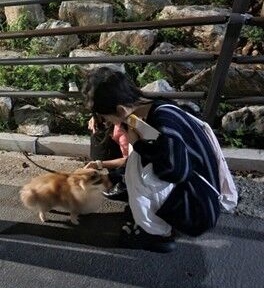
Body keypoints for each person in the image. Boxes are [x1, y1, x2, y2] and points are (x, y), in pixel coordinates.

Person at [82, 67, 237, 253]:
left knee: (137, 168)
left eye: (104, 117)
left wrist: (138, 145)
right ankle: (154, 220)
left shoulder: (161, 122)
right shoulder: (153, 107)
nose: (104, 121)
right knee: (135, 165)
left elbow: (175, 171)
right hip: (200, 192)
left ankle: (158, 234)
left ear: (120, 110)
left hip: (198, 209)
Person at [85, 115, 129, 201]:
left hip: (138, 162)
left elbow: (130, 160)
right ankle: (115, 176)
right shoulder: (102, 120)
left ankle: (124, 183)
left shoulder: (122, 130)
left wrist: (99, 164)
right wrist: (95, 118)